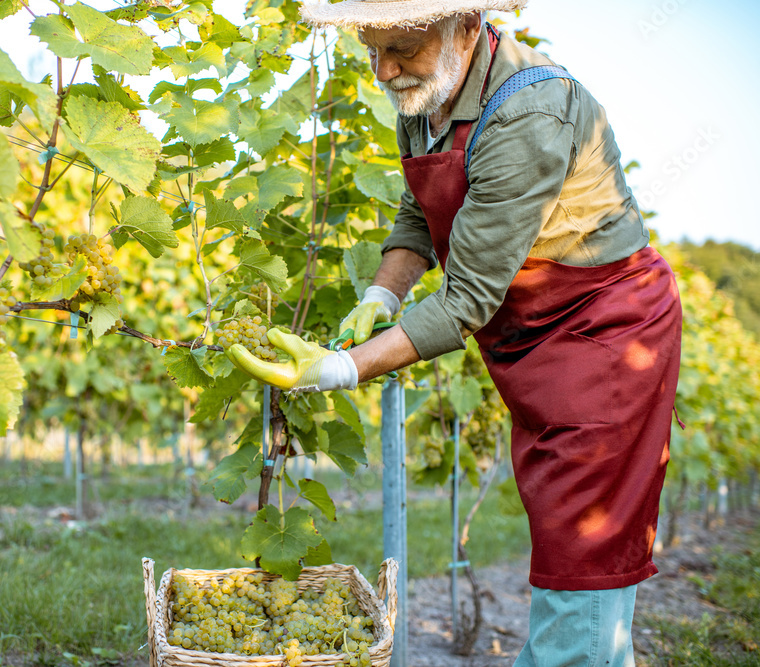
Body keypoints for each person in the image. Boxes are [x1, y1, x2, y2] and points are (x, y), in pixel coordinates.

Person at [226, 0, 683, 664]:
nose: (383, 69)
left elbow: (465, 297)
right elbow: (421, 208)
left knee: (584, 543)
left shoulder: (528, 113)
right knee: (570, 540)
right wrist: (384, 291)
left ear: (467, 27)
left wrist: (341, 367)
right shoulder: (429, 90)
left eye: (400, 48)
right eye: (370, 49)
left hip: (606, 339)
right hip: (536, 336)